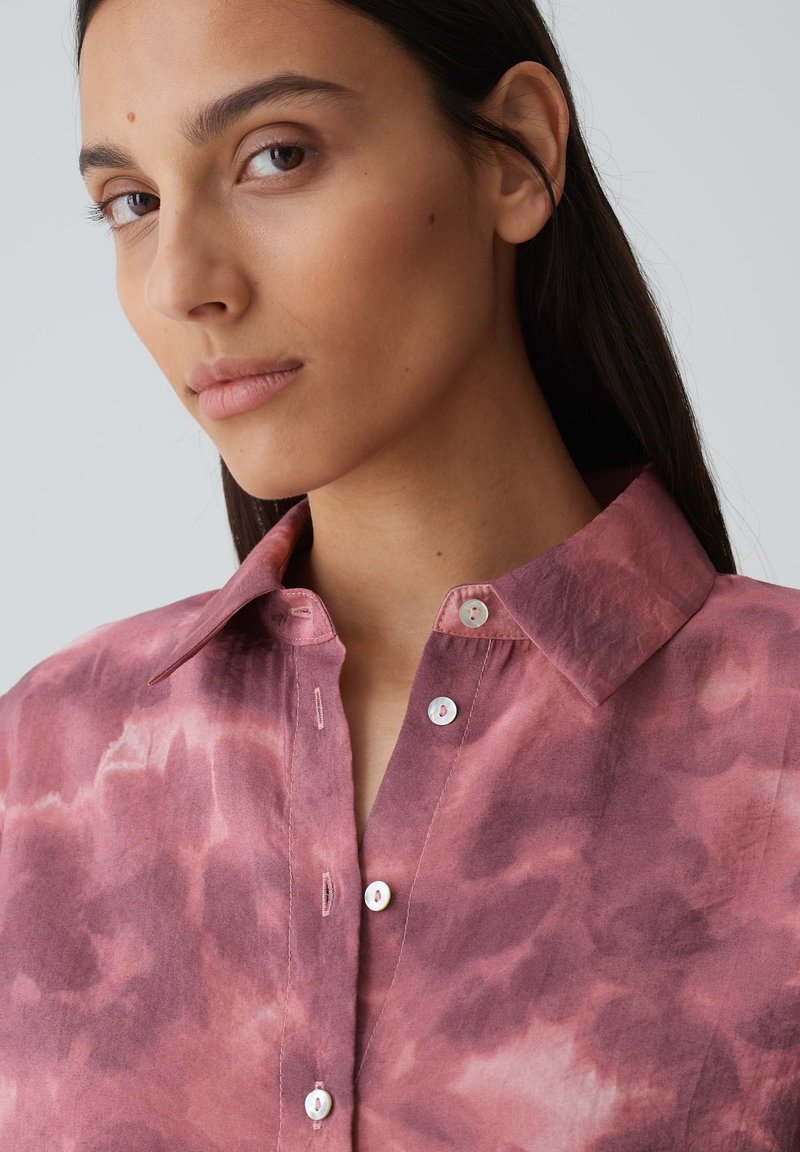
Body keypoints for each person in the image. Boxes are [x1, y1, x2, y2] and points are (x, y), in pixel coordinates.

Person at [1, 0, 798, 1148]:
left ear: (515, 154)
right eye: (132, 201)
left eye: (276, 156)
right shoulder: (39, 773)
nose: (184, 282)